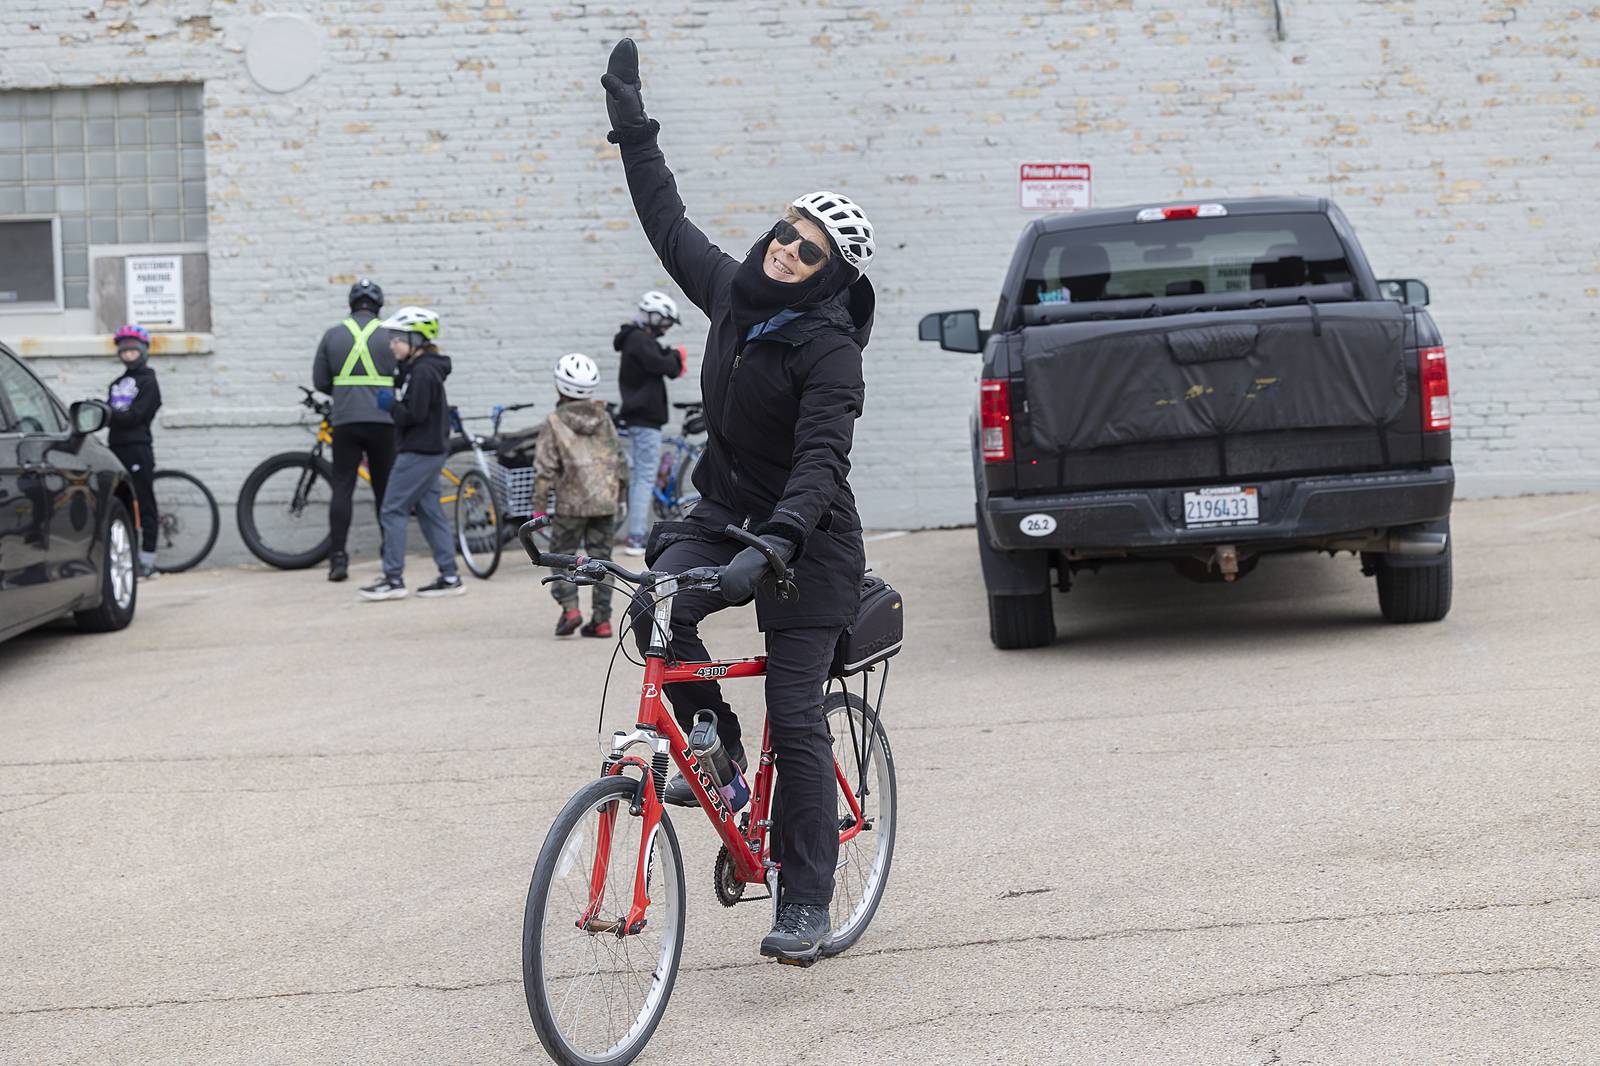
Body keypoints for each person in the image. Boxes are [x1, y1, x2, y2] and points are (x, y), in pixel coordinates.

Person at [603, 38, 877, 965]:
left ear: (833, 274)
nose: (788, 251)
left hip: (810, 542)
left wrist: (781, 543)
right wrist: (633, 124)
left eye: (811, 251)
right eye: (787, 232)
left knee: (795, 716)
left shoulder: (830, 351)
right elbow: (665, 217)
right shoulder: (729, 292)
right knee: (655, 603)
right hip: (724, 515)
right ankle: (711, 742)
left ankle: (806, 899)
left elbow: (821, 460)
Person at [358, 307, 463, 601]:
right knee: (430, 513)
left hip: (419, 451)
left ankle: (393, 579)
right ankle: (450, 576)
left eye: (398, 338)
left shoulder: (423, 372)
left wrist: (391, 405)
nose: (392, 344)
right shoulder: (420, 369)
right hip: (429, 449)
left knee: (392, 510)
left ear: (416, 339)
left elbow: (413, 414)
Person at [534, 353, 630, 637]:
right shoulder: (604, 417)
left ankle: (570, 609)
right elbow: (620, 460)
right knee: (602, 561)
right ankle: (602, 620)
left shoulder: (554, 421)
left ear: (559, 386)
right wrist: (621, 496)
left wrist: (539, 507)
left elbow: (544, 469)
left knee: (560, 557)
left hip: (571, 505)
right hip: (605, 501)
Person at [312, 277, 396, 583]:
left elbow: (320, 381)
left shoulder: (332, 335)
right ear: (378, 305)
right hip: (383, 421)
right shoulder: (390, 335)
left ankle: (338, 559)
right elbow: (402, 376)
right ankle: (390, 554)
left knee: (342, 487)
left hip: (345, 420)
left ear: (351, 304)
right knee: (384, 490)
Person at [614, 290, 686, 555]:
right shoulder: (638, 340)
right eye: (665, 322)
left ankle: (635, 533)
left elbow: (658, 358)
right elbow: (665, 365)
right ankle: (636, 537)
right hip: (645, 420)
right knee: (644, 477)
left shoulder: (636, 339)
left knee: (640, 477)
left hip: (640, 419)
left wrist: (671, 354)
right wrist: (677, 355)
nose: (666, 328)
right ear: (652, 317)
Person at [106, 324, 163, 577]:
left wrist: (112, 415)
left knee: (144, 501)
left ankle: (148, 558)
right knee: (121, 503)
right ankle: (126, 558)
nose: (128, 355)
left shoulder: (149, 381)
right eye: (124, 351)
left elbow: (137, 416)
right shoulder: (116, 384)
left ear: (143, 351)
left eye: (133, 350)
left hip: (137, 447)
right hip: (115, 447)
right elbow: (110, 415)